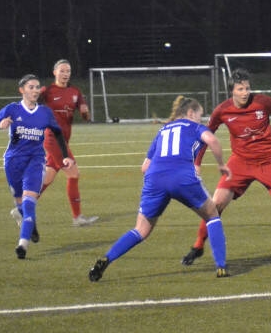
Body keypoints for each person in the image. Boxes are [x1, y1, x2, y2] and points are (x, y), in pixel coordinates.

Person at [89, 96, 232, 281]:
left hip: (154, 179)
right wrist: (221, 164)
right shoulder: (194, 127)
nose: (201, 119)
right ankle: (221, 267)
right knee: (212, 215)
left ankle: (106, 259)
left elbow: (144, 167)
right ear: (190, 113)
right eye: (200, 115)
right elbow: (212, 140)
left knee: (141, 230)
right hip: (182, 177)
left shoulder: (163, 130)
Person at [182, 68, 271, 266]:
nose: (245, 93)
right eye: (240, 89)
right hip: (240, 162)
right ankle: (198, 246)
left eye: (247, 88)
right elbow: (206, 135)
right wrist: (197, 163)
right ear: (232, 91)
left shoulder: (261, 102)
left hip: (270, 160)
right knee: (215, 205)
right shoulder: (222, 110)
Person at [0, 74, 74, 259]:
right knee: (20, 204)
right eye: (31, 87)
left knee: (29, 201)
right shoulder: (12, 109)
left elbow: (58, 134)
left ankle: (22, 244)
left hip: (35, 161)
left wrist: (65, 156)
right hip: (13, 163)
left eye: (37, 87)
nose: (35, 90)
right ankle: (29, 223)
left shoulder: (45, 112)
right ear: (22, 90)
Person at [34, 59, 99, 227]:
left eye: (68, 71)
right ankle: (77, 218)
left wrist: (85, 112)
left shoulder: (75, 92)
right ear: (54, 72)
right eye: (62, 71)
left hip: (64, 141)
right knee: (73, 174)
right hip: (52, 139)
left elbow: (86, 117)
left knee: (47, 177)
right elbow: (30, 105)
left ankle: (21, 207)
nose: (65, 74)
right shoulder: (47, 91)